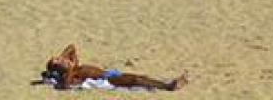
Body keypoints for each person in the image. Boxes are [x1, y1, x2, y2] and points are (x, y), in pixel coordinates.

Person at [41, 44, 186, 92]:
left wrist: (62, 59)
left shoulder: (75, 66)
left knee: (138, 78)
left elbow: (71, 47)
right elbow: (66, 86)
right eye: (59, 61)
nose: (63, 59)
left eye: (59, 58)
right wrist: (66, 69)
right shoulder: (71, 75)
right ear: (59, 69)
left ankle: (165, 85)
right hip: (108, 79)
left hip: (110, 74)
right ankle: (168, 86)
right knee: (136, 79)